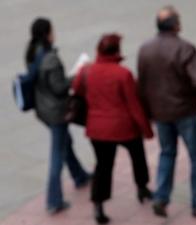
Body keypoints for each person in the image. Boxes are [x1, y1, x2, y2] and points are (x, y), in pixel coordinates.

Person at [138, 5, 196, 218]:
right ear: (175, 25)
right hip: (185, 111)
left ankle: (161, 198)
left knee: (167, 152)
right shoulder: (185, 48)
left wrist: (148, 111)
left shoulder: (145, 49)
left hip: (161, 113)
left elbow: (142, 85)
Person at [73, 33, 154, 224]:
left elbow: (77, 90)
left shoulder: (86, 71)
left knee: (103, 167)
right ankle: (142, 188)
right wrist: (147, 130)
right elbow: (134, 105)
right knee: (138, 156)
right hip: (124, 128)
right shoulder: (123, 74)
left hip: (98, 130)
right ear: (117, 51)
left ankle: (98, 205)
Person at [26, 17, 91, 214]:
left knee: (66, 143)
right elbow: (60, 87)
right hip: (55, 112)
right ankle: (54, 200)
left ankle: (79, 176)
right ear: (47, 34)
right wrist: (77, 74)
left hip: (43, 109)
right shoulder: (50, 59)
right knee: (57, 154)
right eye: (52, 30)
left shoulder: (32, 53)